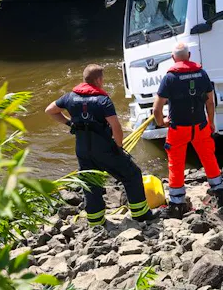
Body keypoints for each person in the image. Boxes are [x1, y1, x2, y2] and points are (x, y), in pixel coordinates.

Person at [45, 64, 158, 227]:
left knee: (91, 182)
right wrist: (119, 147)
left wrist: (70, 123)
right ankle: (140, 214)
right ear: (98, 80)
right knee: (132, 174)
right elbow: (116, 126)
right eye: (102, 79)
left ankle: (96, 221)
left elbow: (50, 110)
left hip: (82, 150)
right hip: (104, 149)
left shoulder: (69, 97)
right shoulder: (102, 100)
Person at [154, 42, 223, 217]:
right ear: (189, 56)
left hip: (178, 128)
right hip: (200, 126)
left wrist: (161, 122)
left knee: (176, 164)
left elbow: (157, 109)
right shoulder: (201, 74)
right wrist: (211, 122)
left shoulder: (170, 78)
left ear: (174, 58)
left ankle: (177, 205)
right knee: (209, 158)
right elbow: (210, 101)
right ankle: (220, 194)